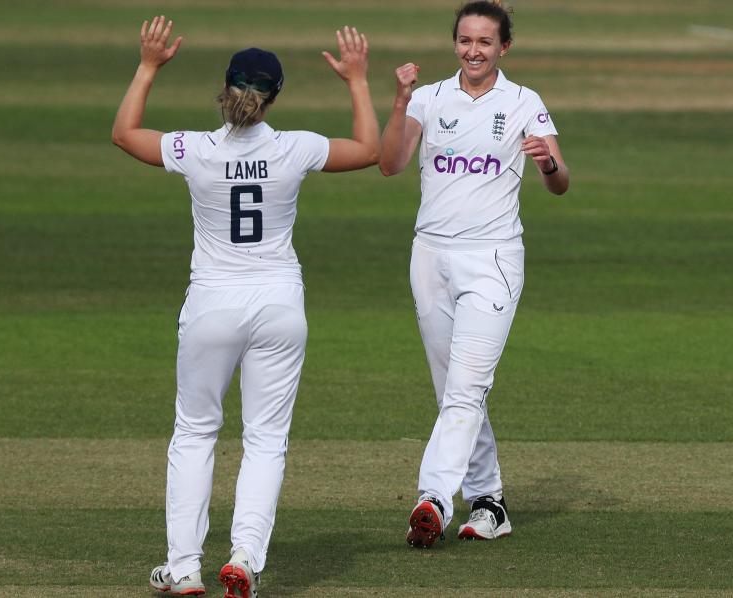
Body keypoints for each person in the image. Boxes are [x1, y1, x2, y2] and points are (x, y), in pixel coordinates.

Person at [112, 16, 379, 596]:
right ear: (273, 97)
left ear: (226, 91)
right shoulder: (293, 148)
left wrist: (149, 66)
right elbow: (368, 150)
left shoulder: (194, 149)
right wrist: (357, 79)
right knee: (265, 439)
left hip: (212, 303)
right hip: (279, 305)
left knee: (194, 432)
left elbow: (124, 133)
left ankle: (183, 568)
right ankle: (244, 560)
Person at [379, 0, 569, 548]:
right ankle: (489, 501)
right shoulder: (429, 98)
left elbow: (560, 182)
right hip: (430, 258)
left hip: (492, 260)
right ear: (455, 43)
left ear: (503, 47)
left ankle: (433, 497)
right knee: (454, 390)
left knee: (466, 387)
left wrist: (548, 164)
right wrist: (398, 100)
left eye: (485, 42)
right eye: (465, 40)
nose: (474, 50)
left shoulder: (524, 102)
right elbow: (390, 162)